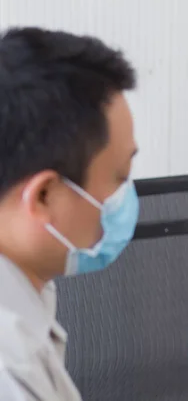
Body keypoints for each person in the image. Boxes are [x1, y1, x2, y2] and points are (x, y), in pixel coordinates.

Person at [0, 27, 139, 400]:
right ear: (43, 196)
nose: (125, 202)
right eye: (119, 179)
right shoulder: (9, 371)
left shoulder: (29, 296)